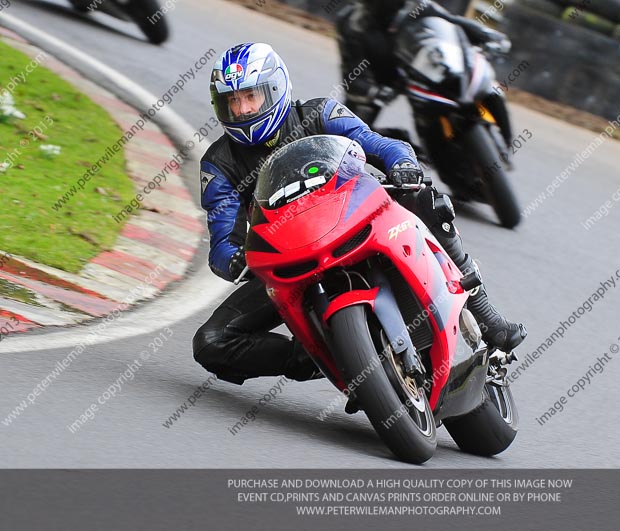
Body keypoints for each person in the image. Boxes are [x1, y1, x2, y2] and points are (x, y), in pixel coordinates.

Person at [193, 43, 526, 387]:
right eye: (232, 101)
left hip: (358, 221)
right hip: (292, 259)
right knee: (211, 341)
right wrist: (234, 261)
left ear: (275, 89)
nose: (243, 110)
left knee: (426, 197)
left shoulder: (320, 113)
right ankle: (319, 356)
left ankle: (487, 317)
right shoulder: (218, 164)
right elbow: (221, 238)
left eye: (250, 97)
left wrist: (402, 164)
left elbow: (376, 143)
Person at [336, 0, 513, 146]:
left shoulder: (415, 7)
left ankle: (505, 139)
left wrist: (486, 35)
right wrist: (368, 90)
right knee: (348, 136)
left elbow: (452, 21)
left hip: (418, 78)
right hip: (377, 85)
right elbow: (350, 69)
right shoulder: (352, 23)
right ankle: (398, 151)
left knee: (486, 86)